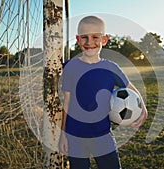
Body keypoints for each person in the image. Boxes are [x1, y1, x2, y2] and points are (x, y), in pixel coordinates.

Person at [59, 15, 148, 169]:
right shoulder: (70, 67)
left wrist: (144, 109)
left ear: (104, 39)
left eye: (95, 37)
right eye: (84, 37)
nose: (89, 42)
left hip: (102, 134)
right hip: (75, 135)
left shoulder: (111, 68)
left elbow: (131, 89)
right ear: (78, 40)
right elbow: (66, 102)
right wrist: (63, 135)